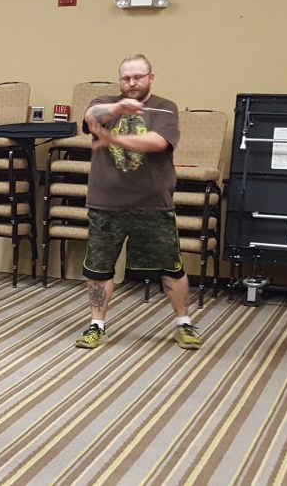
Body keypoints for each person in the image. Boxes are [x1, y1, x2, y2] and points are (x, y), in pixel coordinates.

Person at [74, 54, 201, 350]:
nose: (132, 83)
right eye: (126, 78)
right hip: (106, 204)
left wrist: (113, 139)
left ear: (150, 78)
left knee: (172, 267)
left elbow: (157, 142)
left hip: (153, 204)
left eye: (138, 77)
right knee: (98, 270)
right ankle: (96, 325)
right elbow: (91, 117)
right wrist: (119, 108)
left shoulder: (165, 107)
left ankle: (184, 323)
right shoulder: (106, 102)